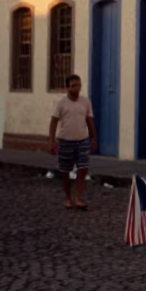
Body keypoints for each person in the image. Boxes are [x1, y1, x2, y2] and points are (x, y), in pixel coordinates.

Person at [49, 74, 96, 210]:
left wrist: (93, 138)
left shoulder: (86, 102)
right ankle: (68, 198)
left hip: (82, 141)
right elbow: (53, 122)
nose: (77, 88)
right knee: (65, 171)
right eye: (73, 86)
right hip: (65, 141)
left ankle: (78, 197)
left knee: (83, 168)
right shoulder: (61, 103)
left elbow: (89, 120)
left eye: (78, 85)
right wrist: (52, 141)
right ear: (67, 87)